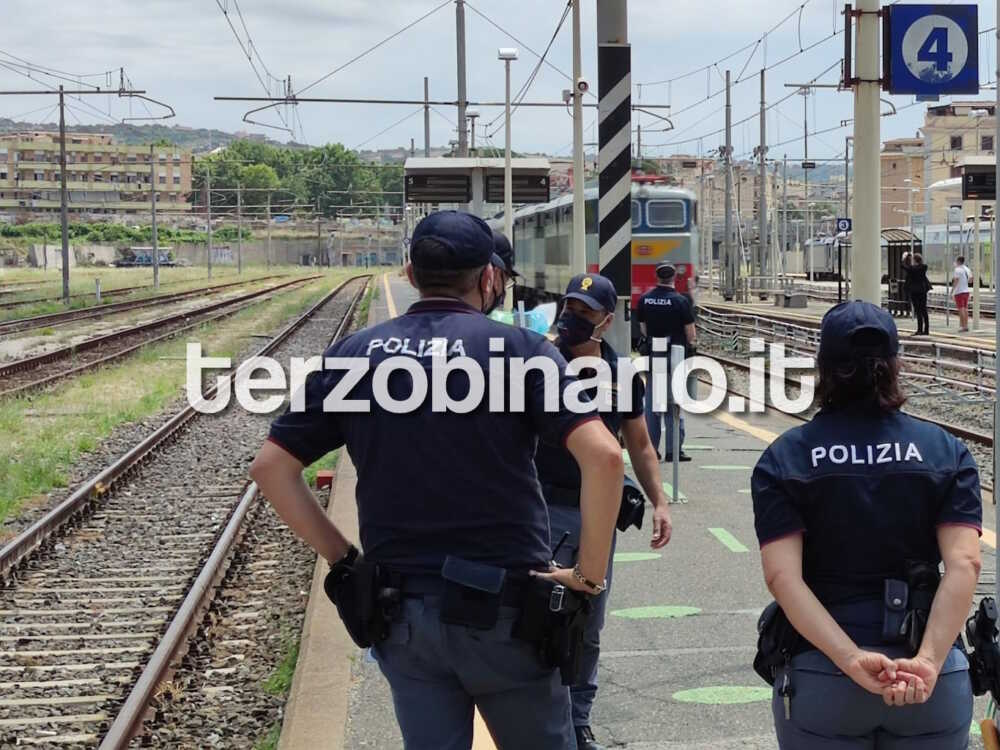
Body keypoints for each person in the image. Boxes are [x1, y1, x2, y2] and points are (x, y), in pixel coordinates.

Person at [249, 210, 625, 750]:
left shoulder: (354, 355)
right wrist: (588, 577)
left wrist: (344, 559)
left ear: (408, 272)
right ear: (490, 278)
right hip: (508, 613)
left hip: (401, 615)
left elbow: (271, 469)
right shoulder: (522, 353)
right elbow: (606, 459)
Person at [751, 300, 982, 749]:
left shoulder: (786, 457)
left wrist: (851, 659)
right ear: (896, 366)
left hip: (823, 676)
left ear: (822, 370)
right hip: (928, 680)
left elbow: (782, 577)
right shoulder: (946, 451)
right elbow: (965, 564)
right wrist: (929, 661)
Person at [536, 273, 674, 750]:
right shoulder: (540, 363)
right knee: (541, 610)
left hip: (596, 511)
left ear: (606, 321)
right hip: (543, 505)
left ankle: (578, 719)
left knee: (587, 618)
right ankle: (544, 715)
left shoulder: (620, 374)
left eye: (584, 312)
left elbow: (640, 443)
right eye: (569, 307)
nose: (571, 318)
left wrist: (659, 501)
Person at [635, 262, 696, 462]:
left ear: (657, 276)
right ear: (673, 278)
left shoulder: (645, 300)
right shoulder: (681, 301)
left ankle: (652, 449)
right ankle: (674, 450)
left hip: (654, 355)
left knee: (653, 406)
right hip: (675, 356)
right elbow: (691, 333)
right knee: (674, 403)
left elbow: (643, 330)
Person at [903, 252, 931, 336]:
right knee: (924, 310)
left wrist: (904, 258)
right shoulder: (924, 267)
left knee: (918, 310)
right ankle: (926, 330)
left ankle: (919, 330)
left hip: (915, 291)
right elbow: (914, 268)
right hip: (923, 290)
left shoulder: (912, 268)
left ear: (914, 260)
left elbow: (904, 266)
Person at [952, 255, 972, 332]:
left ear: (958, 261)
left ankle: (963, 326)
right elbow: (971, 280)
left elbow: (956, 280)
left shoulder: (957, 269)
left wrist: (953, 290)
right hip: (966, 291)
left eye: (956, 261)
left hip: (959, 291)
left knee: (961, 309)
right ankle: (965, 325)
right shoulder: (967, 269)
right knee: (965, 308)